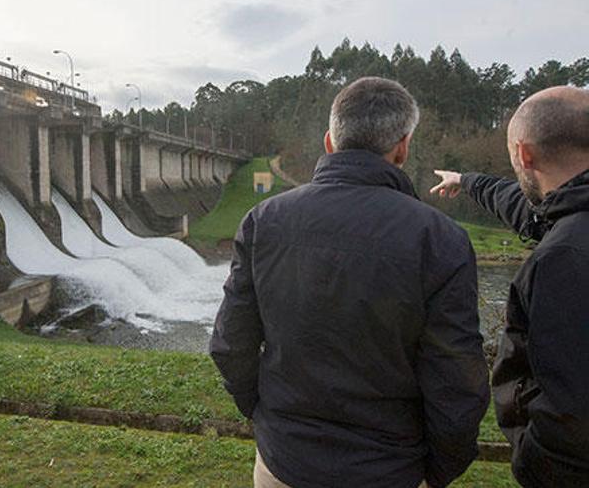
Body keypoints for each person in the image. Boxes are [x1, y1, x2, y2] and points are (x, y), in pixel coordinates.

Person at [210, 76, 489, 488]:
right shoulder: (439, 237)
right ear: (402, 147)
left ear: (329, 141)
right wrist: (437, 470)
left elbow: (230, 343)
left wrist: (268, 419)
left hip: (284, 463)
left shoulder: (264, 221)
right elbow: (458, 380)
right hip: (390, 468)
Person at [431, 85, 589, 487]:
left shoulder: (565, 259)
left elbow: (570, 418)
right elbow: (536, 211)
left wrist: (531, 459)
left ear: (523, 155)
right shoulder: (572, 219)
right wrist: (467, 181)